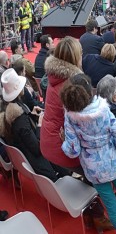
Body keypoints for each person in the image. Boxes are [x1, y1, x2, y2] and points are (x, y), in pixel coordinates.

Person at [60, 73, 116, 234]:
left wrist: (64, 142)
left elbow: (73, 151)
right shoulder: (104, 110)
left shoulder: (70, 117)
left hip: (94, 169)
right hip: (114, 162)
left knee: (111, 206)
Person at [0, 68, 64, 182]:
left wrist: (32, 115)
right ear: (19, 91)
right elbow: (36, 148)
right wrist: (39, 124)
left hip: (24, 156)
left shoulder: (10, 109)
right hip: (37, 162)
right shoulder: (20, 119)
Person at [40, 36, 85, 171]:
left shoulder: (55, 77)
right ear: (76, 57)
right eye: (81, 53)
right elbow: (84, 125)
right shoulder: (72, 85)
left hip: (48, 141)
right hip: (62, 148)